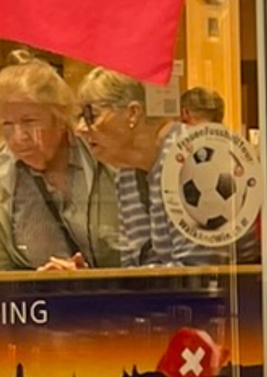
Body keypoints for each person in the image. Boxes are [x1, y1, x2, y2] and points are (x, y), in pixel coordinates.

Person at [76, 68, 228, 267]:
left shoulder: (191, 158)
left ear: (133, 114)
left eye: (91, 116)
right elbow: (136, 269)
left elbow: (197, 273)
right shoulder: (127, 173)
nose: (80, 129)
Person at [0, 51, 120, 270]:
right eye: (7, 124)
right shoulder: (4, 177)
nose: (18, 138)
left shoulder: (108, 159)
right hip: (39, 302)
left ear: (60, 118)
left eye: (29, 121)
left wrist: (89, 277)